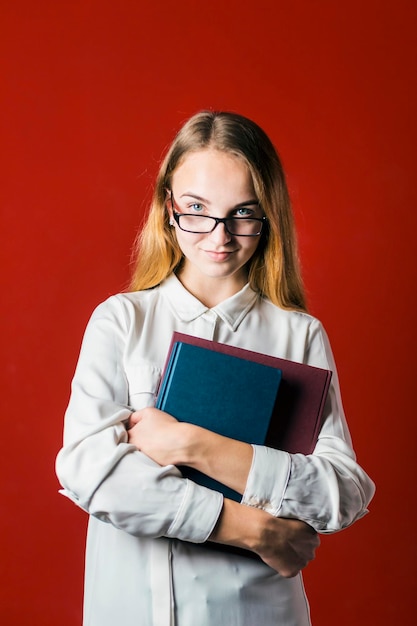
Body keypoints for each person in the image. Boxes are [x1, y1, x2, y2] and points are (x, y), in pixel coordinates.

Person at [56, 110, 375, 626]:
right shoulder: (121, 320)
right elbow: (91, 474)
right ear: (168, 208)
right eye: (198, 209)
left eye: (243, 212)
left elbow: (342, 492)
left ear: (269, 214)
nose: (219, 236)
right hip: (134, 610)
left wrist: (192, 446)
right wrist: (256, 529)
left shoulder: (299, 335)